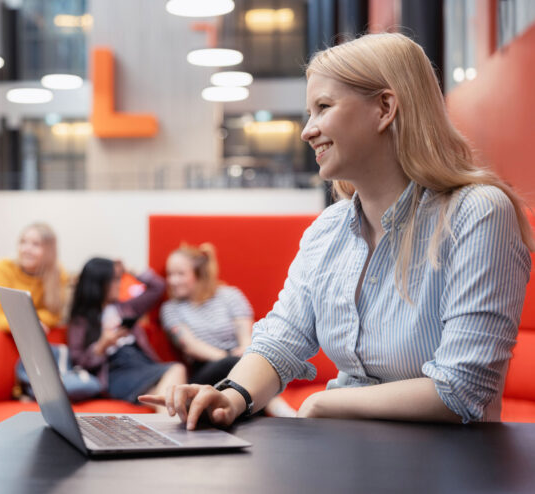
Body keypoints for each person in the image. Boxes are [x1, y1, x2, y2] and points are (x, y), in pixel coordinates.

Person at [140, 32, 533, 430]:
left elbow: (462, 390)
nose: (307, 131)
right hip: (345, 452)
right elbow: (282, 340)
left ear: (384, 108)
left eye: (323, 107)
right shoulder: (328, 229)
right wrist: (229, 396)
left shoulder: (478, 213)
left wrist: (327, 404)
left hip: (448, 467)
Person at [0, 223, 101, 401]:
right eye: (23, 242)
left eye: (35, 244)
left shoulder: (57, 274)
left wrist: (28, 319)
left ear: (49, 250)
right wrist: (27, 322)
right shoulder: (0, 269)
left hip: (5, 319)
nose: (26, 249)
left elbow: (53, 315)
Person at [160, 243, 296, 416]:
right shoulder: (171, 308)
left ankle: (260, 408)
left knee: (256, 365)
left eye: (180, 274)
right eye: (170, 274)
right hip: (206, 369)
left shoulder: (230, 295)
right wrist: (230, 358)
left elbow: (246, 334)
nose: (172, 281)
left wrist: (246, 352)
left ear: (199, 274)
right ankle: (278, 408)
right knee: (240, 368)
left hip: (240, 356)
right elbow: (190, 345)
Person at [68, 258, 187, 411]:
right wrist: (101, 345)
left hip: (142, 363)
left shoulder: (126, 307)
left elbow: (158, 287)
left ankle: (169, 432)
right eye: (115, 279)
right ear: (100, 283)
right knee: (177, 371)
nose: (120, 283)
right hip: (117, 369)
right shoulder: (81, 321)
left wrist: (130, 270)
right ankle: (176, 432)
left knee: (165, 397)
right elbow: (78, 361)